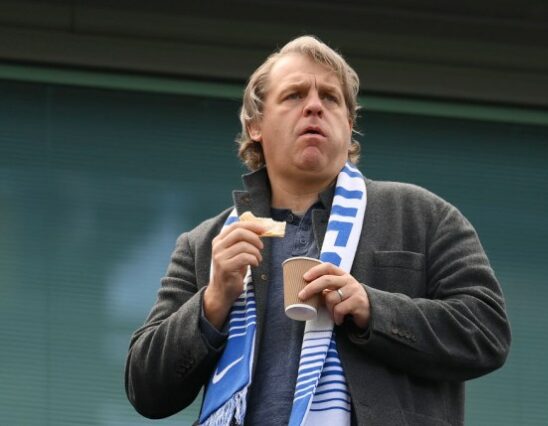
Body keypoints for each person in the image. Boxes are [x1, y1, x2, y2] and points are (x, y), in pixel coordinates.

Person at [125, 35, 511, 426]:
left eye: (330, 98)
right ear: (256, 125)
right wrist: (212, 303)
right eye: (294, 95)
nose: (314, 106)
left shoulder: (422, 215)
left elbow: (486, 331)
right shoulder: (205, 246)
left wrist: (372, 308)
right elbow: (145, 389)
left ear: (348, 123)